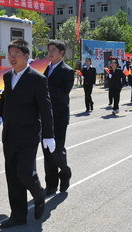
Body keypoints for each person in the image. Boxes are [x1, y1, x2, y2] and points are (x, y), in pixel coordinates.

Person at [0, 40, 55, 228]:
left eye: (16, 54)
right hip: (9, 134)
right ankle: (17, 216)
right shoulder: (7, 77)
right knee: (12, 176)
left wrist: (49, 135)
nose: (12, 57)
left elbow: (46, 109)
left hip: (28, 135)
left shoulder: (37, 79)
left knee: (25, 174)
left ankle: (39, 194)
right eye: (10, 53)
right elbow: (5, 96)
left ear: (26, 56)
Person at [43, 40, 75, 196]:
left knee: (57, 151)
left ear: (61, 52)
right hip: (45, 117)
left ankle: (65, 172)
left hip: (60, 117)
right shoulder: (45, 69)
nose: (50, 52)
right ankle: (51, 184)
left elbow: (63, 92)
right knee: (47, 152)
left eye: (53, 50)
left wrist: (44, 83)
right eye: (48, 49)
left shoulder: (67, 71)